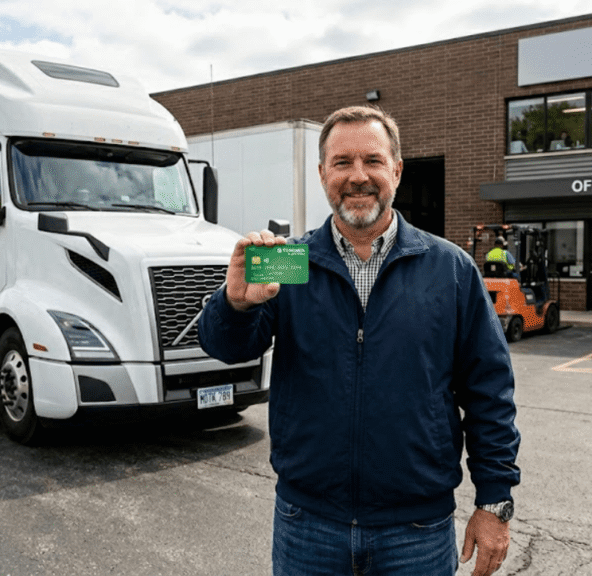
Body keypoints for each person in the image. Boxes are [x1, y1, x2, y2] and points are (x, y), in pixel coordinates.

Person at [199, 105, 520, 576]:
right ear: (322, 173)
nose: (358, 176)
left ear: (396, 169)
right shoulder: (290, 263)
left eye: (372, 160)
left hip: (417, 530)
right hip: (308, 524)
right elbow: (226, 347)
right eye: (342, 162)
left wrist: (495, 501)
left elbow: (489, 392)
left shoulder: (449, 269)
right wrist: (235, 303)